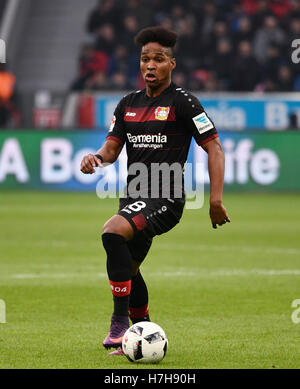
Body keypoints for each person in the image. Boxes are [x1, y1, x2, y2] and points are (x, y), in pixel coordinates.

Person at [80, 26, 230, 356]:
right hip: (132, 197)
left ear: (172, 64)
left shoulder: (184, 102)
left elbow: (215, 148)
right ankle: (141, 332)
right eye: (145, 59)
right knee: (129, 271)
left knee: (112, 232)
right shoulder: (127, 104)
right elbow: (111, 149)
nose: (150, 65)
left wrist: (215, 199)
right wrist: (95, 158)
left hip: (166, 199)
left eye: (158, 59)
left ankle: (119, 324)